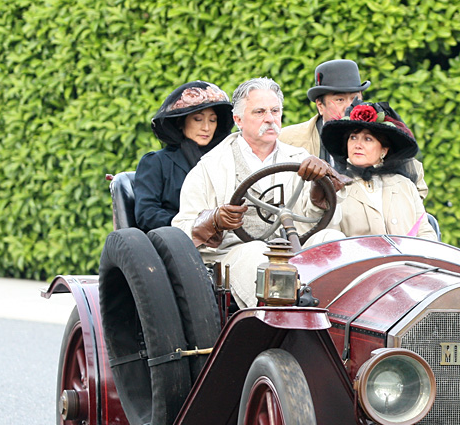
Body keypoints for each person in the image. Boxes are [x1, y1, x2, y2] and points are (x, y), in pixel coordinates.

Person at [173, 77, 346, 308]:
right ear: (238, 119)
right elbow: (181, 230)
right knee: (259, 254)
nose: (270, 119)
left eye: (275, 111)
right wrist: (214, 220)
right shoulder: (210, 166)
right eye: (259, 112)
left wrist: (320, 192)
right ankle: (282, 326)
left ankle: (339, 320)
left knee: (333, 240)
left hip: (293, 246)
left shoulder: (300, 158)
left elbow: (323, 221)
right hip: (234, 254)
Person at [279, 59, 429, 200]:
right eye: (340, 100)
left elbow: (418, 189)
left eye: (355, 98)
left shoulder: (381, 131)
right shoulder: (289, 140)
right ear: (320, 105)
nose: (349, 106)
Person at [319, 101, 437, 242]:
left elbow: (426, 234)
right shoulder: (335, 188)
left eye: (368, 139)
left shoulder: (406, 186)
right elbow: (332, 243)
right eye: (353, 137)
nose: (358, 145)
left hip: (409, 262)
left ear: (383, 150)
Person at [134, 82, 233, 232]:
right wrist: (192, 226)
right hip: (176, 243)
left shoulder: (224, 160)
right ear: (181, 122)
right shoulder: (156, 162)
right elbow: (147, 214)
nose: (206, 127)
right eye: (198, 119)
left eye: (212, 120)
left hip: (225, 240)